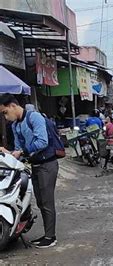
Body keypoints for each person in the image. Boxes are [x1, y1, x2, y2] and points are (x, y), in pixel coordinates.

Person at [0, 94, 58, 248]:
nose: (6, 117)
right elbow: (19, 150)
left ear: (13, 106)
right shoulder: (15, 126)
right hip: (35, 165)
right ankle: (47, 235)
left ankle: (51, 237)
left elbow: (42, 141)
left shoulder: (34, 118)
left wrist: (21, 152)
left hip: (48, 164)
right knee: (40, 202)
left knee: (47, 202)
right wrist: (9, 153)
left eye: (5, 112)